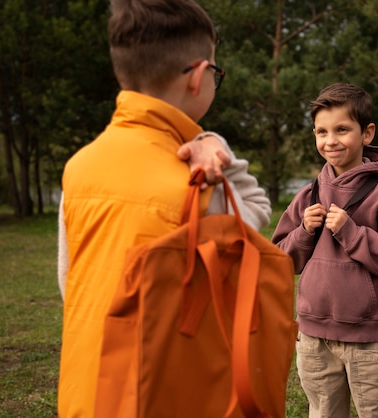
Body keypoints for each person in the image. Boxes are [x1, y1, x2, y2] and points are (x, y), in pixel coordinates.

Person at [56, 0, 271, 416]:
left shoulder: (79, 166)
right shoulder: (200, 183)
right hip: (164, 392)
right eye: (216, 72)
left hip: (87, 392)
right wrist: (214, 142)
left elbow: (70, 282)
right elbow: (256, 216)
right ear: (198, 76)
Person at [272, 83, 378, 418]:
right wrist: (304, 232)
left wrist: (350, 232)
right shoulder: (308, 196)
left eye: (342, 129)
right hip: (313, 337)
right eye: (322, 131)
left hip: (370, 341)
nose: (331, 140)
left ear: (367, 133)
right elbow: (278, 259)